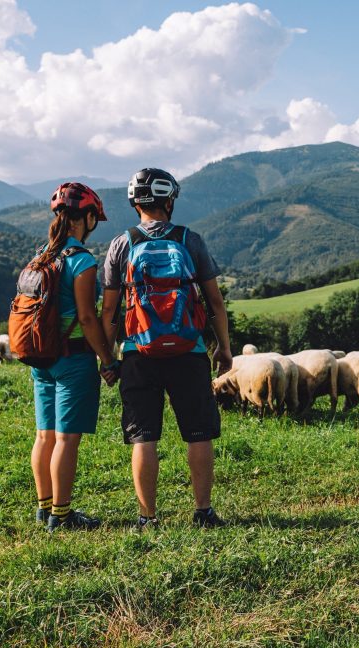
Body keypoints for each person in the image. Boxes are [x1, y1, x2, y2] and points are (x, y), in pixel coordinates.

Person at [101, 168, 233, 529]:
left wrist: (108, 356)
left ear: (134, 202)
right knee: (199, 431)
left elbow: (109, 310)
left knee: (144, 435)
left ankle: (147, 517)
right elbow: (215, 304)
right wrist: (223, 348)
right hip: (189, 351)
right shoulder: (190, 240)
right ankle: (203, 511)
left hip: (138, 353)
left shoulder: (121, 244)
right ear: (169, 200)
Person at [30, 182, 120, 533]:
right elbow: (87, 317)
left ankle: (44, 508)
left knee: (44, 436)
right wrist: (108, 360)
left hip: (43, 359)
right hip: (73, 359)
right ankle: (62, 516)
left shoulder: (41, 256)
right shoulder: (81, 260)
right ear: (89, 217)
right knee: (67, 440)